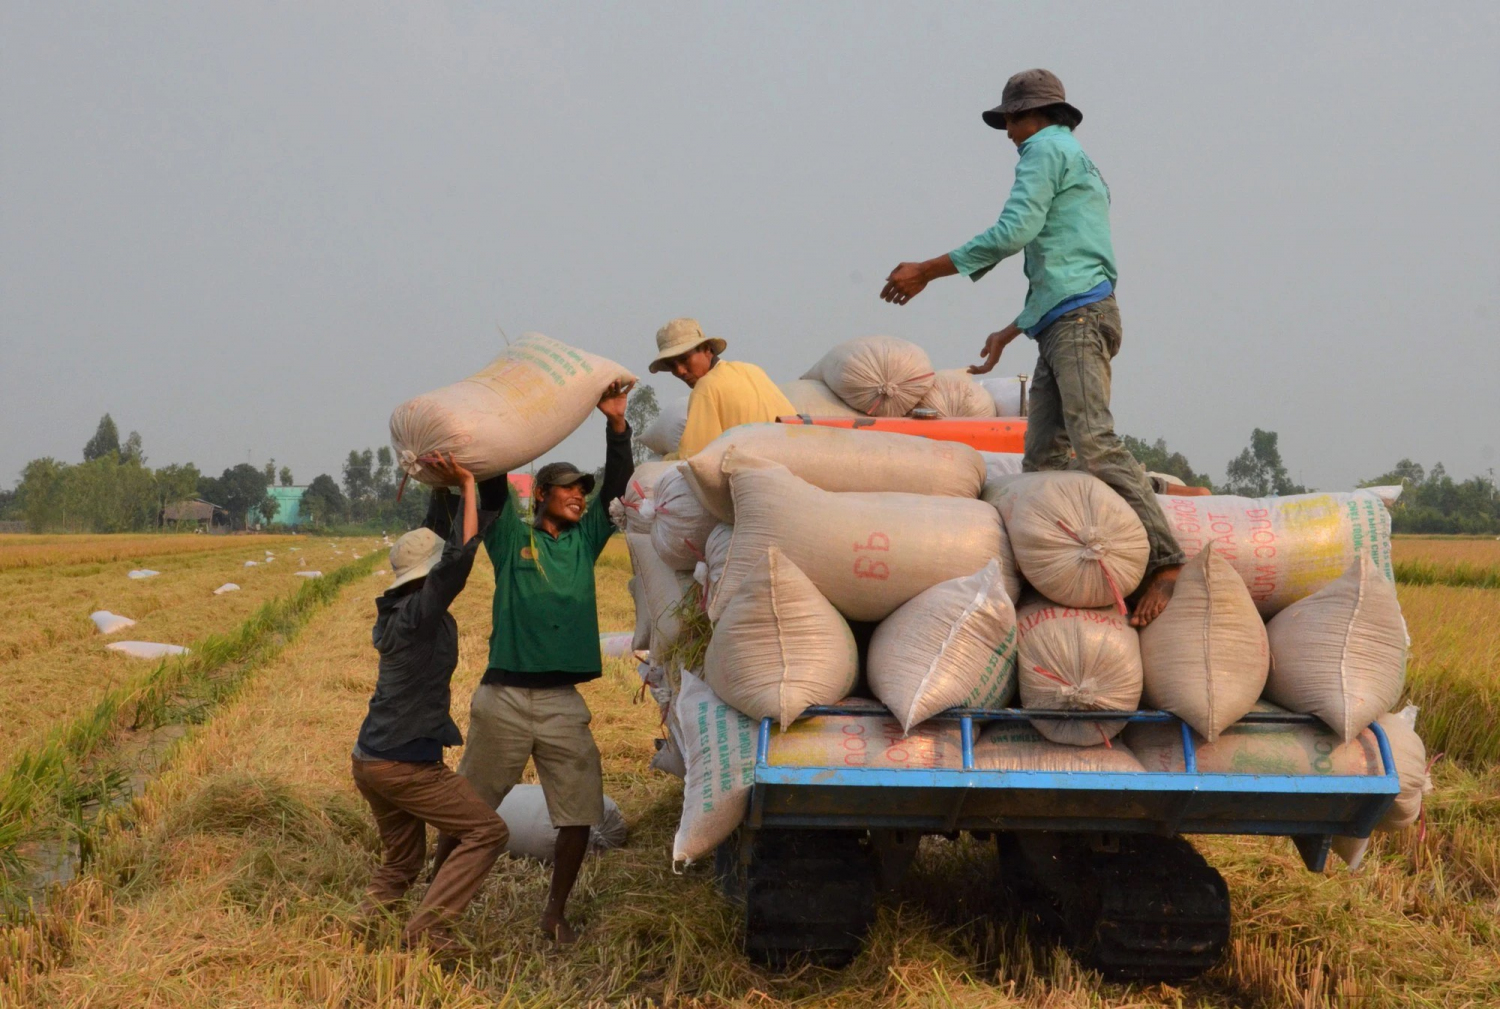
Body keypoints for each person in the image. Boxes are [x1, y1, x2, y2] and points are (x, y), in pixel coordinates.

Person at [879, 68, 1184, 626]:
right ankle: (1066, 570)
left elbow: (1014, 231)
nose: (1009, 134)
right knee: (1043, 457)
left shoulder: (1043, 152)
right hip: (1063, 318)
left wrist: (927, 269)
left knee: (1093, 439)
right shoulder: (1075, 156)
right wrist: (1013, 328)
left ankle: (1165, 560)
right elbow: (1065, 259)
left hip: (1079, 320)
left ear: (1033, 116)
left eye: (1011, 121)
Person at [431, 382, 634, 944]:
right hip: (504, 697)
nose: (578, 497)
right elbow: (491, 490)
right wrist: (502, 432)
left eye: (581, 491)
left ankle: (555, 913)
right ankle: (434, 893)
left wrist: (617, 424)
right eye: (568, 489)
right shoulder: (510, 540)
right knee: (469, 807)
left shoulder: (586, 539)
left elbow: (618, 486)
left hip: (562, 702)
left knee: (577, 812)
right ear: (541, 493)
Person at [350, 452, 506, 954]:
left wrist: (439, 489)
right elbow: (456, 559)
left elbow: (436, 542)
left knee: (401, 861)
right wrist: (465, 482)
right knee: (487, 832)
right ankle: (429, 932)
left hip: (370, 758)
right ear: (427, 576)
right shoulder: (419, 612)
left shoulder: (396, 606)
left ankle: (358, 934)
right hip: (403, 764)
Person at [649, 317, 796, 459]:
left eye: (684, 359)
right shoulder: (752, 370)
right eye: (672, 366)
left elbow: (695, 457)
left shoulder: (706, 387)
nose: (680, 371)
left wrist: (667, 459)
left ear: (707, 349)